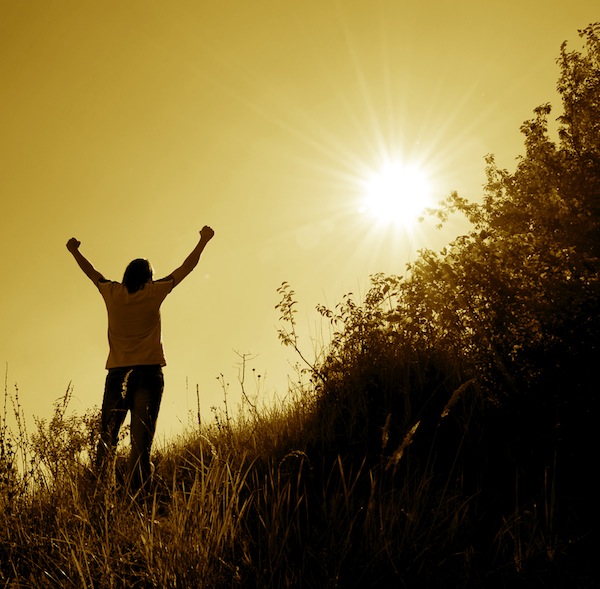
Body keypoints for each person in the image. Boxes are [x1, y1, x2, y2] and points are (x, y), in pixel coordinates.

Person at [66, 226, 215, 496]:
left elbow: (91, 272)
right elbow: (187, 267)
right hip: (148, 374)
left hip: (117, 375)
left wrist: (75, 251)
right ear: (148, 277)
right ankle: (140, 495)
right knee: (140, 444)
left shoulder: (112, 292)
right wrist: (203, 240)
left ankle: (101, 494)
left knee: (107, 439)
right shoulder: (153, 292)